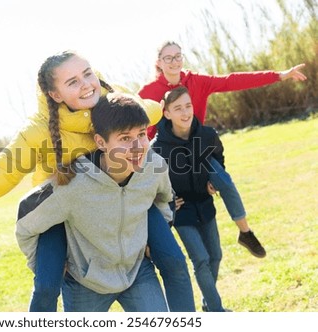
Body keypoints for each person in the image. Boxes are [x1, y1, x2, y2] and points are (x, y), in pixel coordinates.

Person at [0, 51, 194, 312]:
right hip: (62, 206)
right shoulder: (39, 131)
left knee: (176, 263)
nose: (87, 85)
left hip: (122, 193)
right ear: (55, 94)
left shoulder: (111, 98)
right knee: (47, 284)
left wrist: (148, 108)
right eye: (73, 82)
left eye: (87, 74)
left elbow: (146, 111)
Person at [139, 40, 306, 258]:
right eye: (168, 57)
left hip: (198, 151)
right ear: (159, 62)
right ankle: (149, 249)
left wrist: (279, 75)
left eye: (178, 56)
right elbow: (141, 129)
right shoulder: (148, 92)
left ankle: (245, 233)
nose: (174, 61)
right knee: (166, 204)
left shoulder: (198, 81)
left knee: (224, 181)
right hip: (170, 158)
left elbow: (232, 81)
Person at [17, 93, 171, 312]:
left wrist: (151, 240)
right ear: (100, 142)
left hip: (138, 272)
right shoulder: (72, 185)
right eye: (125, 138)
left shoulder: (153, 166)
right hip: (85, 283)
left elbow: (165, 198)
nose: (138, 147)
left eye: (142, 134)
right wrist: (41, 265)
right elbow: (25, 221)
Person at [152, 86, 229, 311]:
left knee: (215, 255)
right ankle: (216, 310)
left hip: (205, 203)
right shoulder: (157, 148)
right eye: (178, 108)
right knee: (201, 259)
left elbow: (218, 157)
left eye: (188, 106)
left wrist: (214, 180)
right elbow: (149, 182)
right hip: (181, 211)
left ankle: (207, 303)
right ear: (166, 113)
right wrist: (164, 201)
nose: (185, 113)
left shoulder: (207, 135)